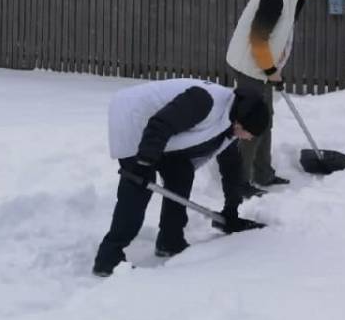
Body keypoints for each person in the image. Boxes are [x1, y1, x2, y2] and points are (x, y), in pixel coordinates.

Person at [92, 78, 270, 277]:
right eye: (249, 133)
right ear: (240, 122)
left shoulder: (229, 127)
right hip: (134, 117)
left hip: (159, 133)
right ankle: (108, 258)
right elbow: (160, 124)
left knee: (181, 172)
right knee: (137, 188)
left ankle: (170, 240)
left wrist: (231, 210)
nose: (249, 139)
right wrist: (143, 163)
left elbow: (232, 170)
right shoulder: (205, 101)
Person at [225, 0, 318, 192]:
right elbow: (258, 38)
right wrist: (269, 69)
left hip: (260, 68)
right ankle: (240, 181)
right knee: (252, 123)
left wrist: (273, 68)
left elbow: (278, 38)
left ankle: (263, 174)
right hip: (250, 68)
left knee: (265, 120)